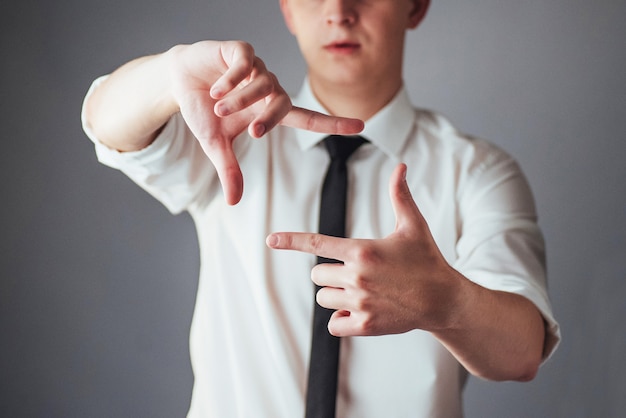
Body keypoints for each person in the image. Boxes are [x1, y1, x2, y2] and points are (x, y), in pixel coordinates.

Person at [81, 0, 560, 416]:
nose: (338, 12)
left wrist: (444, 300)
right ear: (288, 8)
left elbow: (522, 351)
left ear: (415, 6)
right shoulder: (229, 133)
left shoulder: (477, 172)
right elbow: (106, 124)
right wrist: (170, 75)